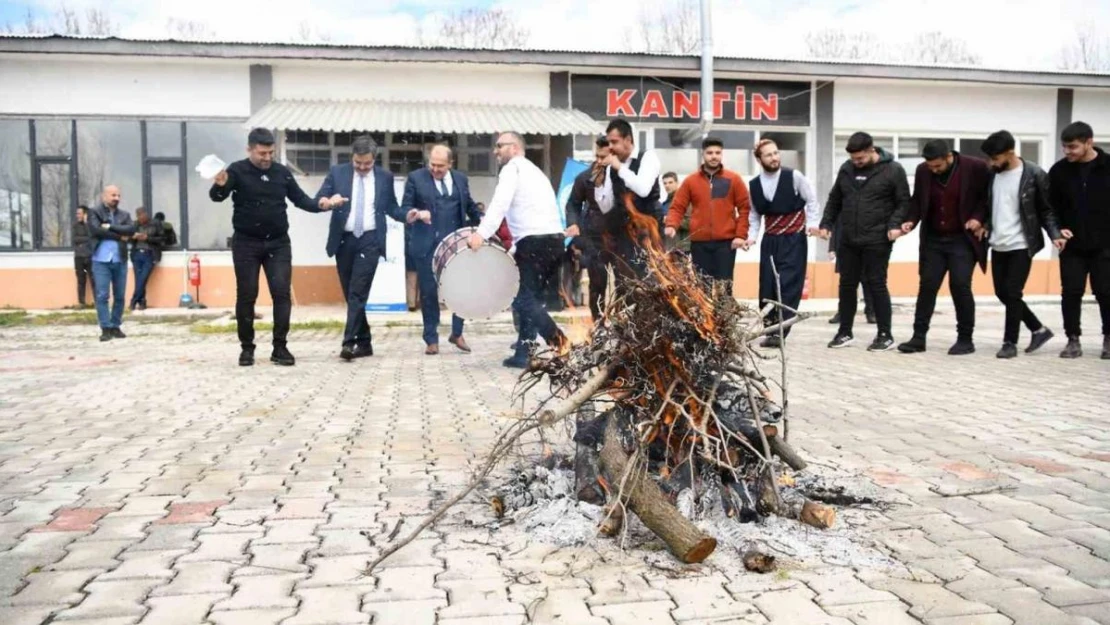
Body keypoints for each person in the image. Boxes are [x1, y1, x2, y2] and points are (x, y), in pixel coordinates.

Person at [210, 127, 332, 367]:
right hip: (246, 242)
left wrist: (323, 204)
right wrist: (220, 185)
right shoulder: (237, 169)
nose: (267, 158)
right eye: (262, 153)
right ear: (250, 150)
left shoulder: (281, 173)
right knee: (247, 294)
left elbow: (301, 200)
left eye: (271, 153)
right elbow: (217, 196)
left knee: (281, 293)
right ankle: (247, 348)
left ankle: (280, 347)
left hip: (278, 242)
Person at [467, 131, 568, 369]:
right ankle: (524, 352)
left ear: (514, 148)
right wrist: (513, 247)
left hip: (535, 242)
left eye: (500, 146)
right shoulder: (535, 171)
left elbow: (500, 204)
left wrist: (480, 234)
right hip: (553, 241)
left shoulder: (512, 169)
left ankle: (559, 341)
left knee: (522, 299)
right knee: (532, 298)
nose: (495, 151)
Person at [315, 136, 405, 362]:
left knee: (357, 292)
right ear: (352, 158)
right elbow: (320, 199)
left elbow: (392, 207)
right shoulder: (338, 173)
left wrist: (408, 215)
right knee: (351, 294)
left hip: (370, 239)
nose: (363, 167)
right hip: (344, 240)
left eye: (367, 163)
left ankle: (349, 343)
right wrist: (327, 202)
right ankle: (365, 342)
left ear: (374, 159)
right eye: (358, 163)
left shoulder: (385, 177)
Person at [897, 140, 991, 355]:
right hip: (934, 239)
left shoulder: (975, 167)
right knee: (927, 286)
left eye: (938, 166)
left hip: (962, 239)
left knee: (960, 285)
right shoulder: (923, 171)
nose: (934, 170)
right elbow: (917, 200)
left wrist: (979, 219)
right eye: (931, 166)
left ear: (949, 156)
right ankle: (918, 337)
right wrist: (910, 220)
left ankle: (965, 339)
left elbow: (987, 198)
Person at [818, 132, 910, 352]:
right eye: (853, 158)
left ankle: (885, 334)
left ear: (872, 150)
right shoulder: (847, 169)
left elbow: (904, 201)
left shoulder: (893, 170)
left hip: (878, 238)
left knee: (876, 283)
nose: (856, 162)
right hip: (849, 238)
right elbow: (835, 199)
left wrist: (894, 225)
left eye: (860, 158)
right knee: (847, 285)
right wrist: (826, 223)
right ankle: (844, 332)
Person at [981, 130, 1067, 359]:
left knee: (1012, 291)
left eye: (995, 158)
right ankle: (1038, 329)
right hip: (998, 242)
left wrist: (1055, 234)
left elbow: (1046, 209)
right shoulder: (993, 174)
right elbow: (991, 206)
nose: (992, 163)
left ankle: (1009, 342)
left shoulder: (1034, 174)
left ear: (1010, 152)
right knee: (1003, 292)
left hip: (1022, 243)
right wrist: (983, 223)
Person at [402, 144, 482, 355]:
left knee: (459, 289)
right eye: (432, 165)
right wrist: (418, 213)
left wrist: (484, 226)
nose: (435, 169)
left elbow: (470, 206)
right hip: (426, 245)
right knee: (428, 293)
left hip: (455, 245)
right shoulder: (416, 178)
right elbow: (405, 207)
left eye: (440, 166)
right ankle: (431, 339)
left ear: (450, 164)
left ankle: (457, 333)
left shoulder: (460, 179)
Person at [747, 139, 821, 347]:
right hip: (770, 240)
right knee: (768, 285)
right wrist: (751, 236)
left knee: (788, 284)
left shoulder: (794, 177)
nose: (774, 158)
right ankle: (770, 327)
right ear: (759, 159)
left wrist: (813, 224)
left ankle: (781, 332)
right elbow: (754, 215)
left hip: (793, 239)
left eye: (776, 153)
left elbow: (812, 200)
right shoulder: (754, 185)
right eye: (768, 155)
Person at [1049, 121, 1110, 360]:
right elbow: (1049, 208)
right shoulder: (1059, 171)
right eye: (1064, 147)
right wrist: (1057, 229)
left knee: (1106, 293)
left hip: (1105, 245)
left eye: (1072, 147)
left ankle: (1108, 338)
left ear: (1089, 142)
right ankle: (1073, 339)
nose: (1067, 152)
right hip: (1072, 246)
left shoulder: (1108, 166)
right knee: (1071, 293)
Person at [664, 137, 751, 292]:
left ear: (722, 154)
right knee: (702, 289)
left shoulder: (734, 179)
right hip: (699, 244)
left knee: (724, 288)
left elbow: (745, 208)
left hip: (726, 244)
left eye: (718, 152)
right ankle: (705, 317)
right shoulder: (691, 181)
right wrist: (672, 225)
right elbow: (677, 206)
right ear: (703, 154)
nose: (714, 156)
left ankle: (724, 316)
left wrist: (740, 235)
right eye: (710, 152)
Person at [600, 118, 663, 277]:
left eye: (615, 142)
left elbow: (643, 189)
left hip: (649, 231)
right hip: (624, 233)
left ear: (628, 140)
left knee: (651, 279)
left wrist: (620, 168)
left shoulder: (648, 157)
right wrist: (598, 183)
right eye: (609, 143)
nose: (611, 147)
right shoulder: (612, 168)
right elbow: (606, 205)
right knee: (627, 280)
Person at [565, 137, 613, 321]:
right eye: (597, 157)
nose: (600, 161)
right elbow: (572, 204)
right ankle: (598, 323)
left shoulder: (622, 177)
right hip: (594, 238)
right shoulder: (585, 178)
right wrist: (573, 223)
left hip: (619, 237)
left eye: (604, 157)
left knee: (625, 283)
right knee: (597, 284)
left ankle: (626, 326)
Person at [88, 185, 134, 341]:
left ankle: (115, 326)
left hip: (119, 259)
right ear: (104, 197)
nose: (116, 198)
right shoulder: (94, 212)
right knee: (102, 295)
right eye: (113, 195)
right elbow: (96, 230)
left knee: (120, 296)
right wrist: (119, 236)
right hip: (100, 260)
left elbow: (131, 229)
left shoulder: (125, 215)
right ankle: (105, 327)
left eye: (118, 195)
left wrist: (111, 227)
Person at [129, 207, 164, 311]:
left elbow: (162, 239)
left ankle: (134, 300)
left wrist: (147, 238)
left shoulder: (156, 223)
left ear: (146, 214)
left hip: (150, 254)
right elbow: (127, 239)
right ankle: (142, 302)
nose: (140, 218)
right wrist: (133, 237)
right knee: (139, 279)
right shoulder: (135, 225)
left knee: (143, 278)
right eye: (138, 216)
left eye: (141, 215)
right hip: (137, 254)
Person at [72, 205, 95, 308]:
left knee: (94, 279)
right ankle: (81, 302)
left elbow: (91, 238)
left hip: (90, 256)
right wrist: (84, 240)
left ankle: (97, 302)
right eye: (77, 214)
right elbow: (75, 240)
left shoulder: (90, 225)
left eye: (79, 213)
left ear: (85, 214)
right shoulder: (75, 226)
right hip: (79, 257)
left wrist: (86, 224)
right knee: (81, 280)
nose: (78, 216)